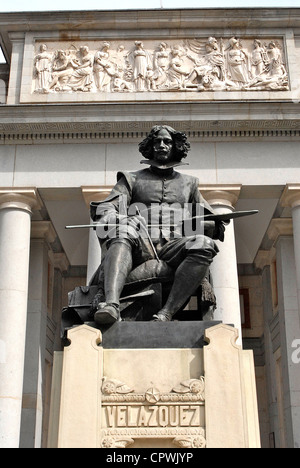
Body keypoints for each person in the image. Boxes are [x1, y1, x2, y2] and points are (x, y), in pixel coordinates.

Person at [90, 125, 225, 324]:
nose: (162, 145)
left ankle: (166, 313)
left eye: (167, 141)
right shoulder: (131, 179)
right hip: (140, 244)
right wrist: (122, 219)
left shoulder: (190, 184)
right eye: (157, 141)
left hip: (175, 247)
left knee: (203, 244)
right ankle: (111, 306)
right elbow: (105, 211)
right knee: (124, 232)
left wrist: (204, 224)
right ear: (150, 146)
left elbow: (215, 227)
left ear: (176, 146)